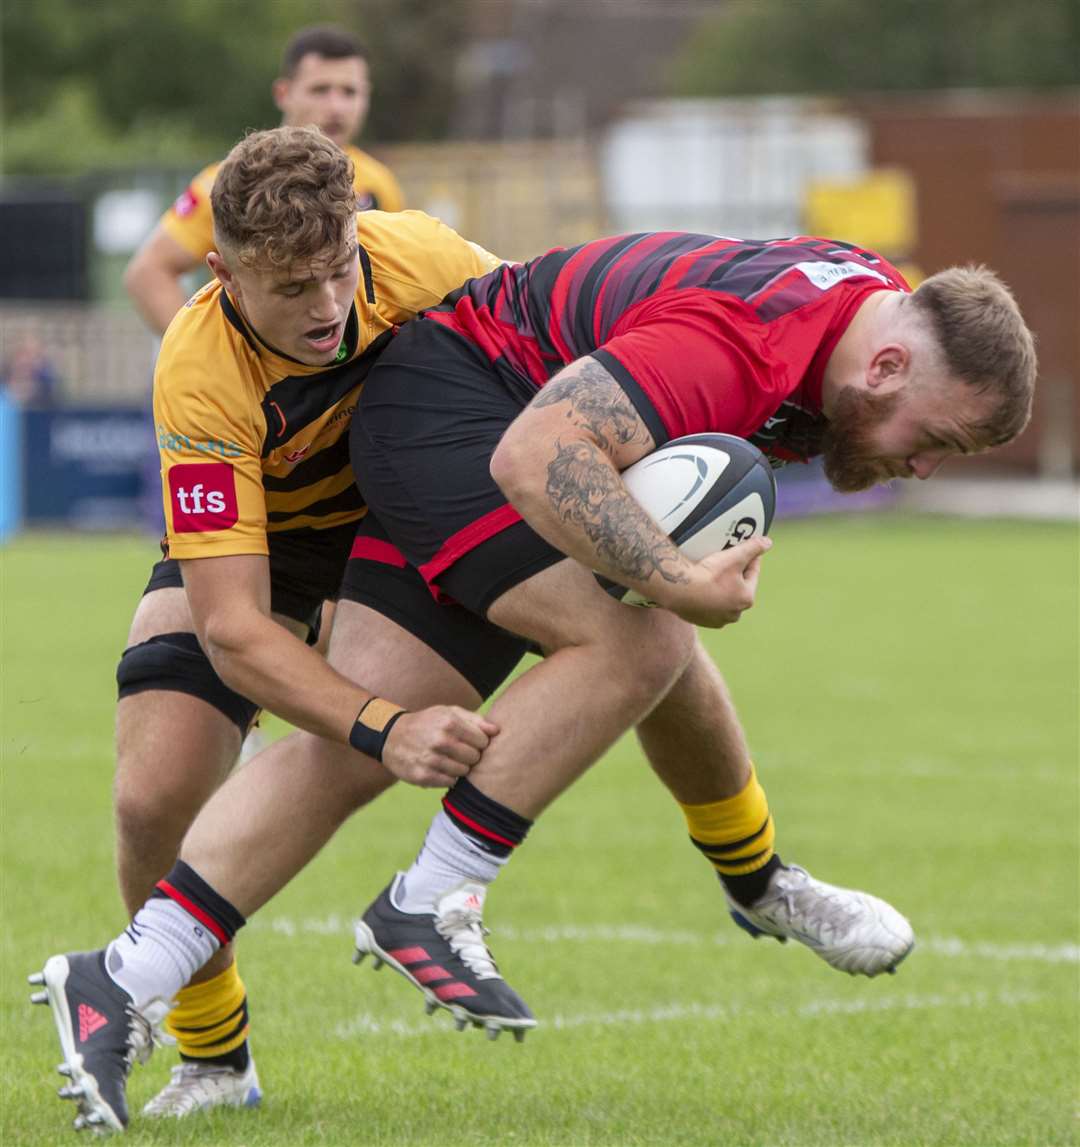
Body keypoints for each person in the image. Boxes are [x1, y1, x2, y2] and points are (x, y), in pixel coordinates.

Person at [31, 206, 1036, 1131]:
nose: (925, 467)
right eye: (935, 439)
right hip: (457, 429)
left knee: (362, 745)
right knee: (643, 633)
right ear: (890, 364)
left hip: (432, 420)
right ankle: (436, 895)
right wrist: (677, 575)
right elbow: (537, 453)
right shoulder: (744, 339)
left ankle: (118, 977)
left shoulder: (864, 298)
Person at [100, 125, 499, 1121]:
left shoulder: (429, 259)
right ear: (223, 269)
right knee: (154, 791)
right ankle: (216, 1056)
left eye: (337, 272)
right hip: (269, 544)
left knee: (642, 626)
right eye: (291, 288)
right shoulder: (196, 368)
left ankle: (753, 861)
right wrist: (380, 723)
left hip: (405, 530)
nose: (327, 309)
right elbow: (232, 623)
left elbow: (562, 349)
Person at [124, 24, 403, 337]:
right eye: (320, 90)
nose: (337, 107)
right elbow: (148, 273)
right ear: (283, 94)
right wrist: (208, 353)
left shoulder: (378, 182)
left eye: (349, 92)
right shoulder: (231, 184)